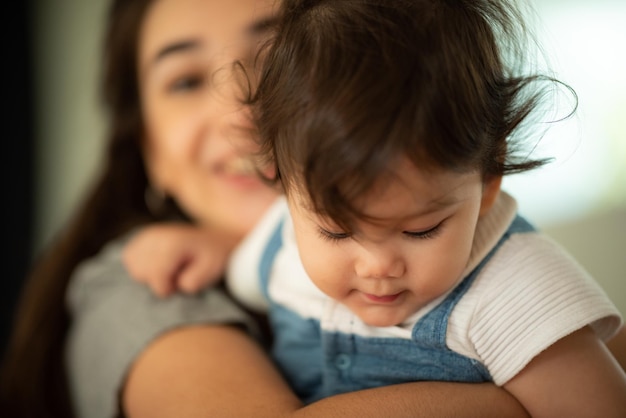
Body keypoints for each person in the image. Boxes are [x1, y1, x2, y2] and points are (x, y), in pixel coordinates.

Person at [0, 0, 537, 417]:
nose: (242, 111)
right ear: (149, 149)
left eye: (278, 56)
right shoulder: (140, 285)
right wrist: (551, 396)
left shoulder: (452, 236)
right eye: (184, 81)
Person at [125, 0, 626, 416]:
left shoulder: (515, 289)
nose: (377, 267)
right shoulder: (278, 242)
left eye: (421, 229)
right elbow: (248, 261)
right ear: (280, 181)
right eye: (337, 234)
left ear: (488, 179)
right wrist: (212, 246)